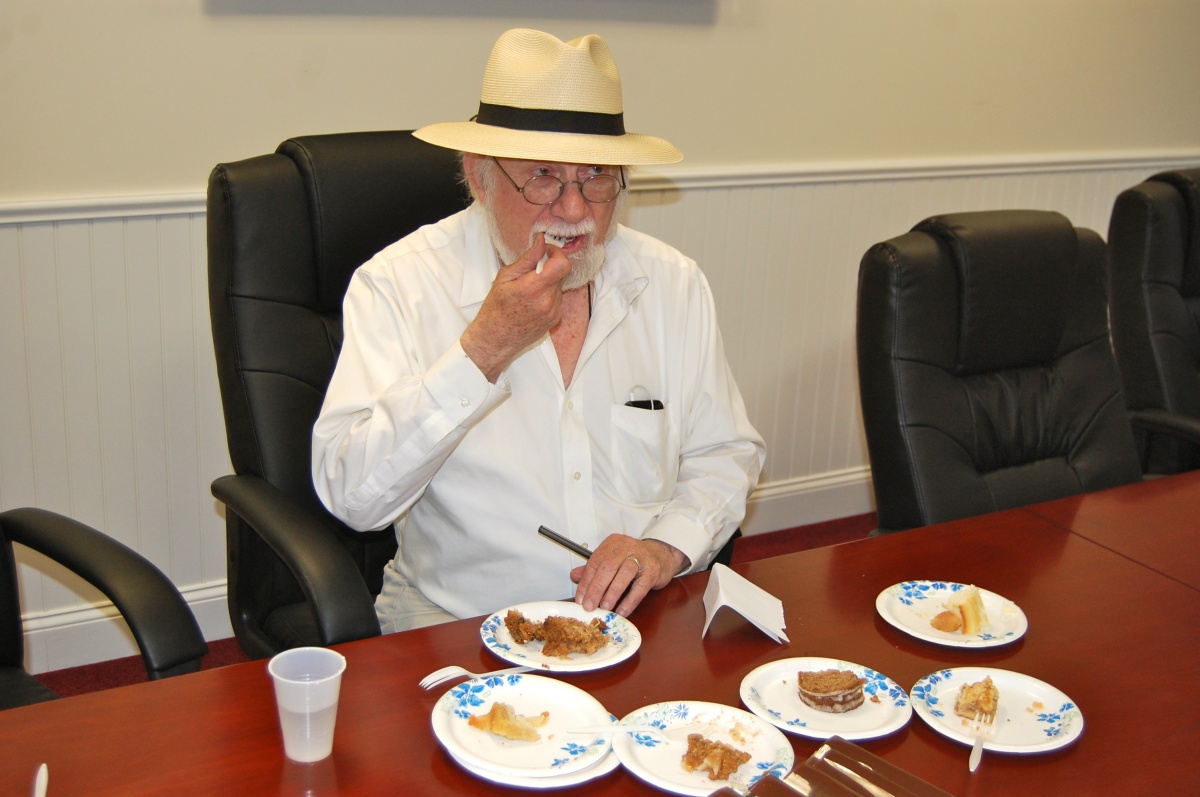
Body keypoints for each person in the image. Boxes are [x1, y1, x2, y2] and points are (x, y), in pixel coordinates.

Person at [312, 28, 764, 633]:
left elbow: (725, 455)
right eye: (544, 176)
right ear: (479, 176)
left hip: (631, 622)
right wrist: (483, 349)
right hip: (454, 619)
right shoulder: (399, 283)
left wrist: (664, 549)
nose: (575, 211)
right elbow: (354, 498)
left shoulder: (672, 282)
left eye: (598, 175)